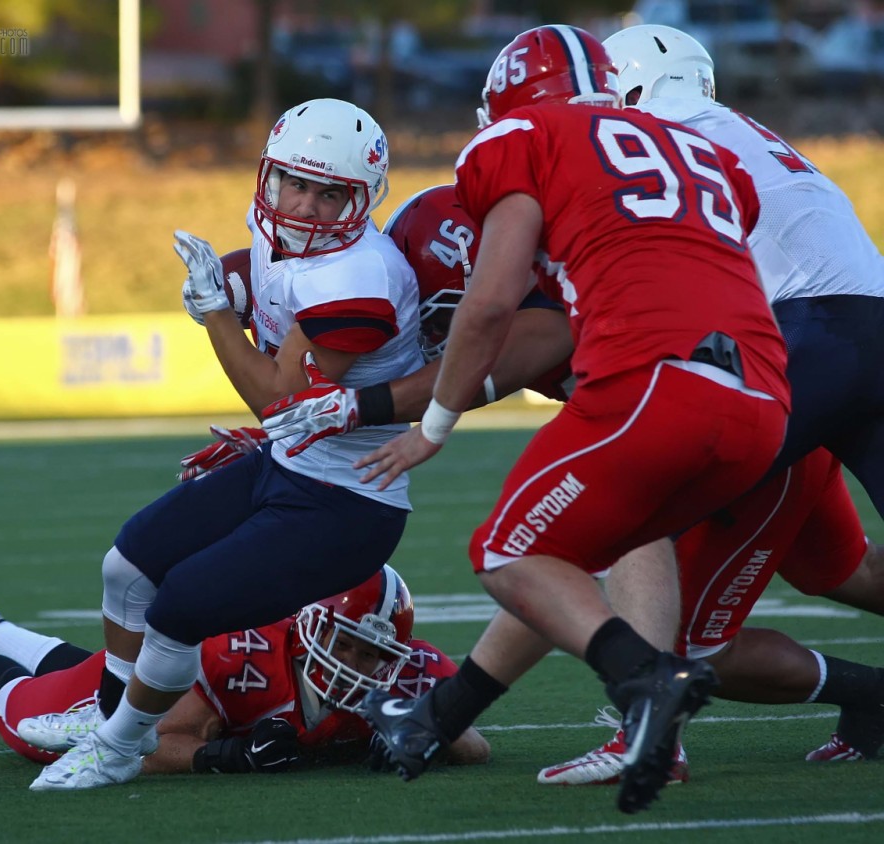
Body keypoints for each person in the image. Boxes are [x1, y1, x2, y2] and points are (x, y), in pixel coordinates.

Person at [263, 183, 884, 781]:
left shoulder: (545, 320)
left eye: (426, 311)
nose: (422, 334)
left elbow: (469, 370)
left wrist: (348, 412)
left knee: (676, 618)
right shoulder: (572, 271)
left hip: (742, 428)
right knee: (846, 573)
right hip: (770, 402)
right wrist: (283, 442)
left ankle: (652, 736)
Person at [350, 24, 791, 816]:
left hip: (654, 377)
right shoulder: (697, 148)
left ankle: (648, 679)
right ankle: (446, 717)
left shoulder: (524, 134)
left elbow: (487, 306)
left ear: (506, 104)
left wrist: (436, 423)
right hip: (763, 396)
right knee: (570, 554)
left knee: (506, 550)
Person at [23, 97, 425, 791]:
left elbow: (274, 398)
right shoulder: (293, 244)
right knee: (129, 565)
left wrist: (216, 313)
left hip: (348, 502)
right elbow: (261, 280)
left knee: (183, 605)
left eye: (330, 194)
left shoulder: (360, 278)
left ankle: (119, 748)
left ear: (362, 200)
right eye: (293, 183)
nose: (304, 206)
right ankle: (111, 710)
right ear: (269, 176)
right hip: (291, 468)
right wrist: (232, 288)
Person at [529, 22, 884, 783]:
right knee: (841, 570)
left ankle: (649, 734)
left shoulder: (655, 142)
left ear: (624, 92)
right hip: (867, 323)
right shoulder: (739, 129)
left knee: (633, 492)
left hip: (803, 336)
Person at [0, 572, 490, 774]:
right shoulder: (246, 656)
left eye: (375, 654)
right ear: (312, 627)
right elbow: (152, 740)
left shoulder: (406, 675)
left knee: (84, 670)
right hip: (161, 684)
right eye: (346, 644)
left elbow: (475, 744)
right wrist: (225, 758)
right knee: (35, 725)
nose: (357, 665)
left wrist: (419, 732)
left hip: (160, 660)